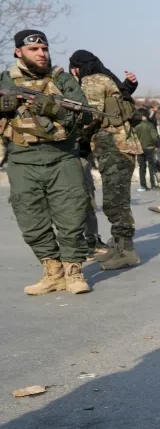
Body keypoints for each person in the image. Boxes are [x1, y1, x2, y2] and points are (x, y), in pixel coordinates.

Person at [0, 30, 91, 294]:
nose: (41, 54)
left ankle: (73, 271)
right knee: (30, 217)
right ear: (18, 52)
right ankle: (53, 272)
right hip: (21, 158)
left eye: (44, 48)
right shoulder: (5, 79)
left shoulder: (62, 79)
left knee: (71, 214)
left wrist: (51, 108)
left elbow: (85, 115)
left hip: (61, 156)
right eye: (34, 50)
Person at [69, 49, 142, 271]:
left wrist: (72, 132)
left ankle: (127, 251)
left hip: (114, 147)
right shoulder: (106, 78)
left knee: (115, 202)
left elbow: (91, 115)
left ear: (77, 68)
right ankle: (118, 247)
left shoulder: (91, 81)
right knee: (115, 199)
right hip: (119, 147)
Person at [133, 108, 159, 191]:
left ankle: (143, 185)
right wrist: (156, 144)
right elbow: (155, 137)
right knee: (152, 167)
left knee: (142, 168)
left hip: (140, 149)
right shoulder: (150, 125)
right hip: (150, 148)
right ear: (146, 116)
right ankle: (153, 184)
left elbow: (133, 138)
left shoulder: (136, 126)